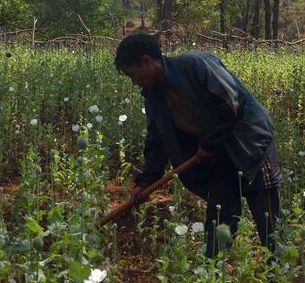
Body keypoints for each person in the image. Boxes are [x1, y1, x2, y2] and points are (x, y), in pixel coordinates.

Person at [115, 32, 281, 256]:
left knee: (267, 215)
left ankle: (279, 272)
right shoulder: (153, 96)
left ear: (146, 61)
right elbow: (156, 141)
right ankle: (212, 275)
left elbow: (230, 103)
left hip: (250, 145)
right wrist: (145, 182)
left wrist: (209, 143)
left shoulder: (194, 64)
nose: (135, 82)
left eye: (133, 75)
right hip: (217, 156)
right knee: (219, 216)